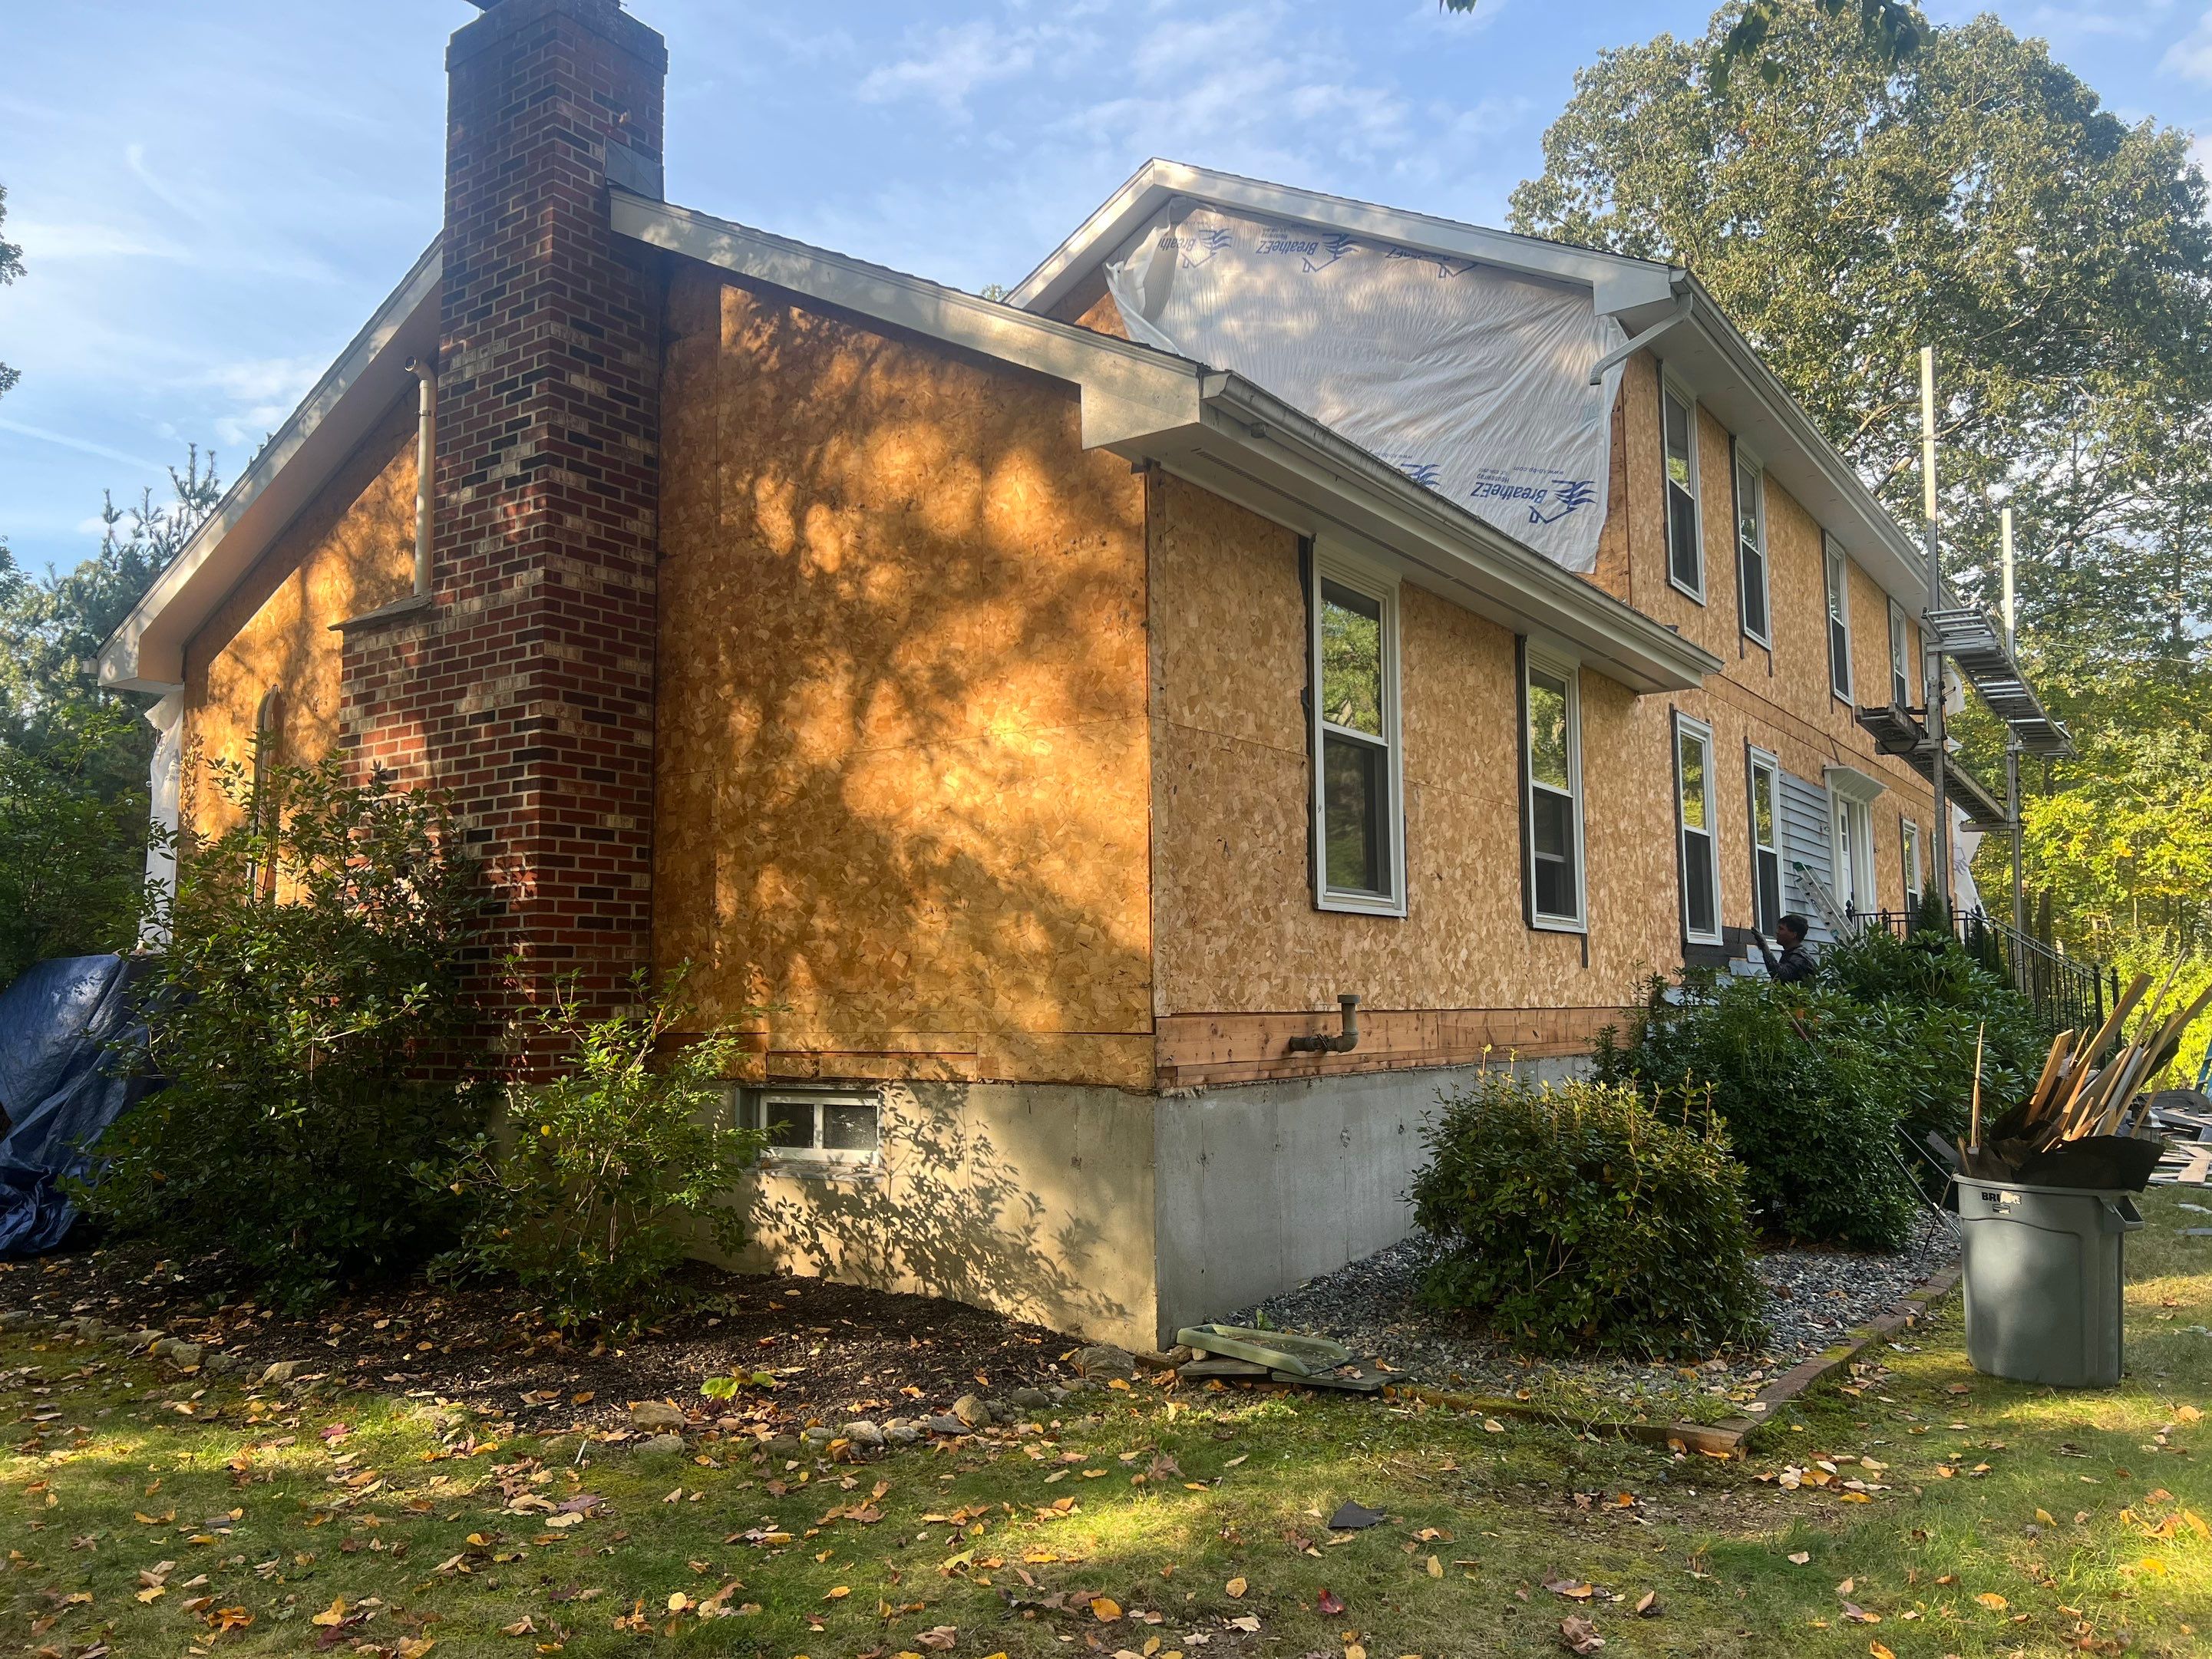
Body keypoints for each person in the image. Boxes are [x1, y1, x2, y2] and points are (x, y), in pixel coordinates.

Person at [1751, 914, 1817, 985]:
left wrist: (1765, 947)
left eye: (1781, 929)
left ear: (1794, 935)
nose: (1777, 932)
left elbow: (1779, 975)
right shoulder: (1791, 953)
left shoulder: (1800, 958)